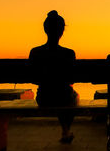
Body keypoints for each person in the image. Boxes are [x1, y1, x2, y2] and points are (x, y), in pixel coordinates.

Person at [29, 10, 79, 143]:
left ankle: (66, 132)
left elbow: (33, 79)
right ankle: (65, 131)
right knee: (72, 96)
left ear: (45, 29)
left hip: (43, 98)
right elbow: (72, 79)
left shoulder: (35, 52)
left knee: (65, 96)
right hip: (63, 97)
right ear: (62, 31)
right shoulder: (69, 53)